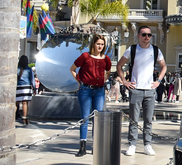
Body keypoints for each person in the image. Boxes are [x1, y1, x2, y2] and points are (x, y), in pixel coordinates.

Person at [116, 25, 167, 156]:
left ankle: (147, 144)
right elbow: (119, 65)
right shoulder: (132, 50)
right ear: (138, 36)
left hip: (150, 90)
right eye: (144, 34)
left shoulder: (156, 50)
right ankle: (132, 144)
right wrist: (125, 81)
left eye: (149, 35)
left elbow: (164, 67)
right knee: (133, 119)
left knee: (148, 120)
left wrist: (159, 81)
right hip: (136, 89)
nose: (147, 37)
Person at [70, 34, 112, 157]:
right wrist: (79, 82)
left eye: (102, 44)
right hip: (85, 90)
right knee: (85, 118)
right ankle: (82, 146)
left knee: (97, 119)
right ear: (93, 44)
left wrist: (104, 79)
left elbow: (108, 71)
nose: (100, 46)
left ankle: (96, 146)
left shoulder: (106, 59)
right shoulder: (85, 56)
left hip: (99, 91)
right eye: (98, 43)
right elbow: (72, 69)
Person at [16, 55, 35, 126]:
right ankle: (24, 119)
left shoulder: (17, 68)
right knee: (25, 103)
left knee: (16, 103)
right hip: (26, 87)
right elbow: (32, 79)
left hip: (18, 86)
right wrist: (34, 87)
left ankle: (12, 118)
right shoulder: (29, 69)